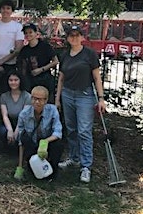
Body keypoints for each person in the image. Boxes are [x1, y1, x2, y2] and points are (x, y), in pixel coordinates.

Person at [55, 26, 106, 183]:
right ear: (68, 38)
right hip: (68, 94)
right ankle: (74, 158)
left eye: (77, 35)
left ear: (82, 37)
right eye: (71, 36)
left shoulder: (89, 54)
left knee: (84, 130)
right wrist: (57, 98)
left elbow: (97, 78)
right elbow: (61, 78)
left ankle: (86, 166)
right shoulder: (65, 55)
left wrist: (101, 97)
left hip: (85, 95)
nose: (74, 38)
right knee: (71, 129)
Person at [13, 86, 63, 180]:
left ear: (46, 100)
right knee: (24, 137)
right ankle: (30, 166)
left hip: (47, 144)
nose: (37, 102)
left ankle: (53, 169)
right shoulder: (24, 114)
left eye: (40, 99)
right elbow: (21, 141)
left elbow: (58, 132)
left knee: (58, 144)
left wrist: (45, 142)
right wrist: (19, 166)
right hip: (32, 145)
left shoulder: (52, 110)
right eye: (34, 99)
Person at [0, 0, 24, 91]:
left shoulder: (18, 27)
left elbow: (18, 48)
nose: (5, 11)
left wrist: (2, 61)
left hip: (10, 64)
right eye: (3, 8)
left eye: (8, 8)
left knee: (7, 90)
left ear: (12, 11)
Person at [18, 23, 59, 102]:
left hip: (45, 79)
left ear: (36, 33)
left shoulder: (45, 46)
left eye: (30, 32)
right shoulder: (24, 50)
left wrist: (41, 69)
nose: (28, 35)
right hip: (30, 82)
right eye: (26, 33)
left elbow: (55, 61)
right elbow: (22, 67)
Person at [0, 71, 31, 150]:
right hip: (9, 122)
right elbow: (4, 115)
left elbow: (24, 116)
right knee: (2, 130)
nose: (13, 82)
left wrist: (16, 131)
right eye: (11, 80)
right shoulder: (4, 96)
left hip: (23, 123)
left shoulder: (27, 96)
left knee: (23, 134)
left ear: (20, 81)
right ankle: (8, 147)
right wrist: (10, 130)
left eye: (16, 80)